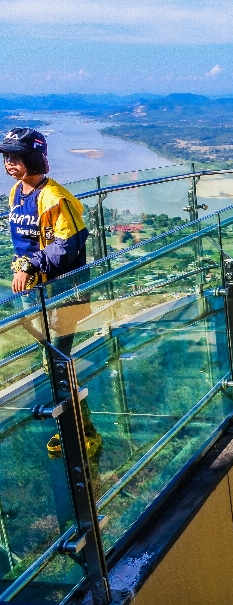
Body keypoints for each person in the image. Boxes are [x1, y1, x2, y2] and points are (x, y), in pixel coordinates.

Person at [1, 127, 100, 457]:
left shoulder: (56, 198)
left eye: (15, 157)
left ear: (32, 158)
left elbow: (69, 245)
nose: (8, 163)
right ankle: (73, 425)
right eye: (6, 157)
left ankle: (82, 429)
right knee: (52, 361)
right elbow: (25, 241)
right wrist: (24, 268)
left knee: (57, 360)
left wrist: (30, 264)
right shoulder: (18, 192)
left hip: (63, 292)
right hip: (37, 291)